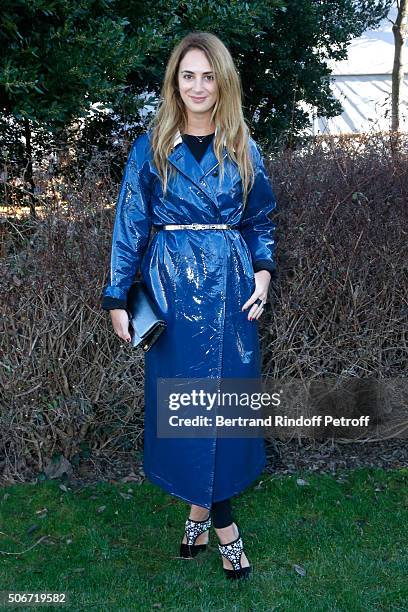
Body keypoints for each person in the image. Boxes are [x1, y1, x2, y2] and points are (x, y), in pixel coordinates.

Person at [101, 31, 277, 580]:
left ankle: (202, 515)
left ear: (223, 81)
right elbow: (129, 225)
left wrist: (265, 274)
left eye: (208, 75)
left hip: (230, 290)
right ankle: (225, 529)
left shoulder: (242, 145)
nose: (198, 86)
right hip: (172, 292)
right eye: (187, 75)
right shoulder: (151, 144)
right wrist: (116, 294)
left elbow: (260, 220)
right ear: (175, 82)